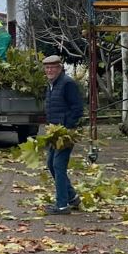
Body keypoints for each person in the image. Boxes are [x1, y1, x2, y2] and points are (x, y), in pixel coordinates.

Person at [42, 55, 83, 215]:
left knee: (58, 165)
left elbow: (77, 108)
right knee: (51, 164)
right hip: (54, 132)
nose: (50, 70)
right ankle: (72, 197)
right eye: (47, 68)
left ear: (60, 68)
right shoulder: (52, 84)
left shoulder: (67, 83)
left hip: (65, 133)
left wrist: (67, 127)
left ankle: (62, 205)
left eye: (53, 67)